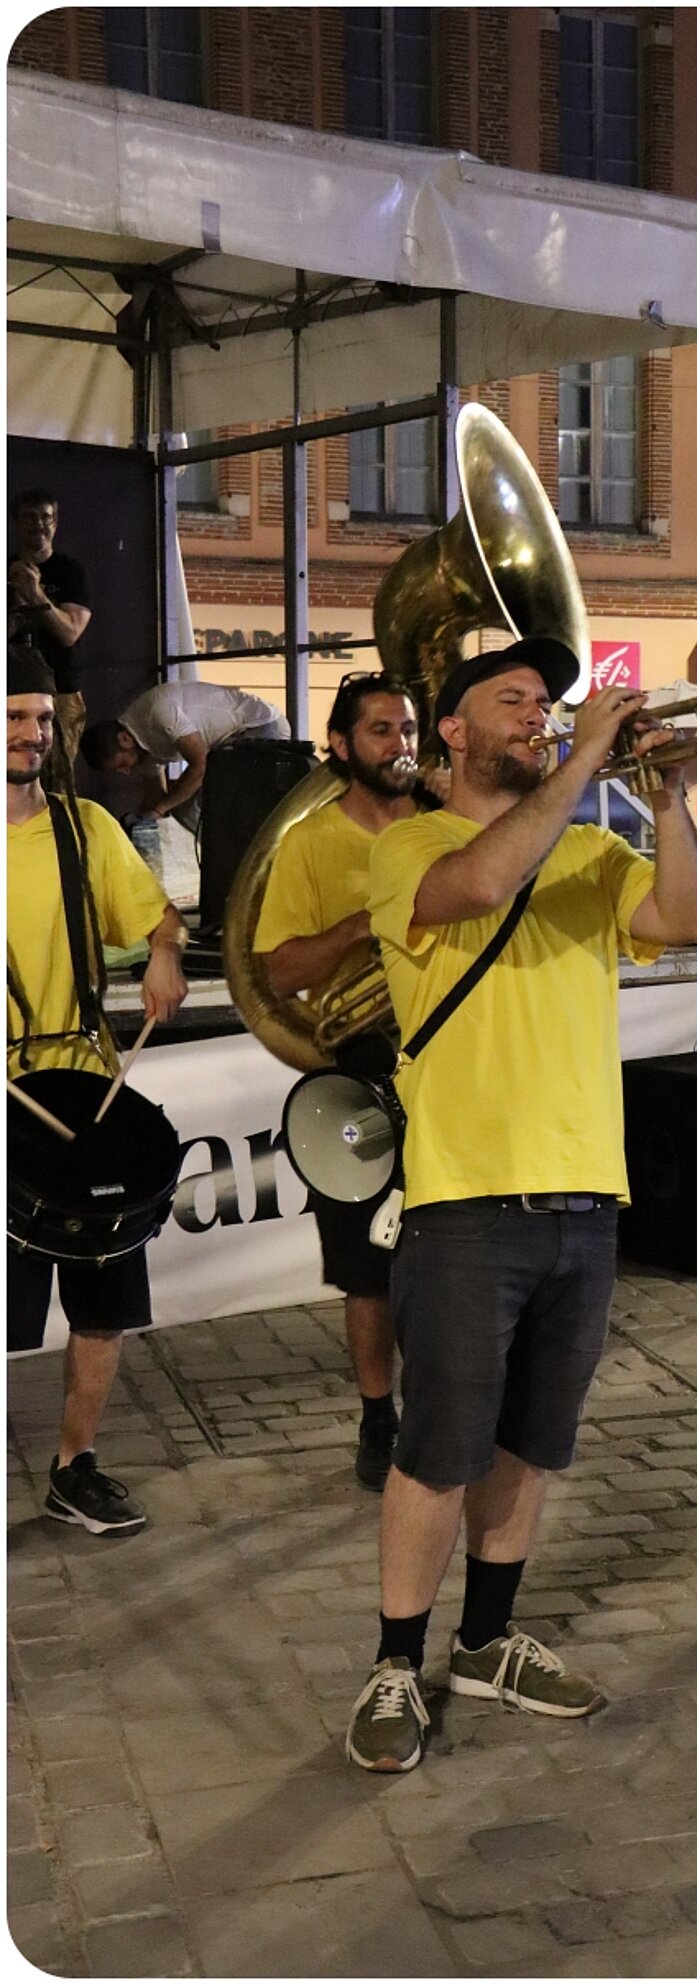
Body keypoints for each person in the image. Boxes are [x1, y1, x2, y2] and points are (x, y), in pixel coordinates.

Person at [344, 634, 697, 1772]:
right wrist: (583, 755)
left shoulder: (588, 843)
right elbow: (483, 882)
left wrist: (663, 796)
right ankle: (396, 1660)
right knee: (437, 1445)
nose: (536, 713)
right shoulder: (409, 841)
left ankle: (488, 1638)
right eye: (511, 701)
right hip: (465, 1195)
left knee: (530, 1440)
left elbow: (684, 918)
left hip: (584, 1193)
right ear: (448, 732)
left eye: (545, 703)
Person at [7, 647, 188, 1534]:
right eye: (14, 716)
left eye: (41, 718)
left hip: (83, 1087)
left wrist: (162, 953)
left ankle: (74, 1465)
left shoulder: (86, 830)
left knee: (104, 1306)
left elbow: (159, 918)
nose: (32, 734)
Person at [253, 674, 421, 1490]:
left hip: (451, 1054)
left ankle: (444, 1407)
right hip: (359, 1063)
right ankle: (376, 1414)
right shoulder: (311, 843)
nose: (402, 744)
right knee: (365, 1266)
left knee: (450, 1250)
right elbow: (278, 969)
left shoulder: (449, 828)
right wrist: (360, 925)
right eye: (382, 730)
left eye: (410, 729)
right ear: (342, 747)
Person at [81, 681, 290, 833]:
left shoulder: (160, 712)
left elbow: (200, 764)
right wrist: (137, 824)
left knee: (210, 801)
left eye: (122, 765)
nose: (125, 772)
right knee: (184, 808)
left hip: (259, 725)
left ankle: (233, 860)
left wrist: (159, 810)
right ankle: (217, 861)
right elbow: (156, 800)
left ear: (124, 739)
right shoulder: (141, 750)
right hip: (226, 744)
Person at [7, 489, 93, 759]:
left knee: (59, 777)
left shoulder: (70, 572)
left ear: (55, 523)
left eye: (46, 517)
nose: (39, 525)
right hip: (11, 687)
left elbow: (70, 633)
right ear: (17, 523)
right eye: (30, 517)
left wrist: (36, 595)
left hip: (60, 691)